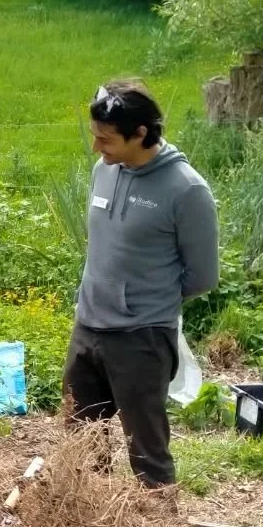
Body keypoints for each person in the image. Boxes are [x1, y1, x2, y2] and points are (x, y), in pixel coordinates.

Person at [65, 79, 219, 488]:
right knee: (80, 445)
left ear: (140, 134)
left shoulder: (186, 190)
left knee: (147, 454)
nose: (97, 148)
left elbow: (202, 276)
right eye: (95, 137)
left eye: (106, 139)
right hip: (88, 328)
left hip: (141, 338)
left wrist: (141, 301)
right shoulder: (104, 170)